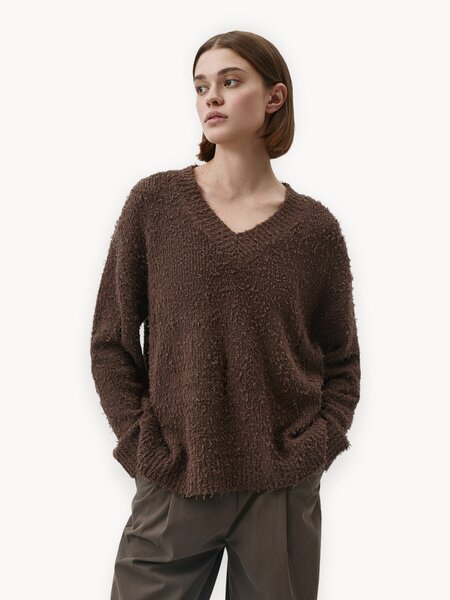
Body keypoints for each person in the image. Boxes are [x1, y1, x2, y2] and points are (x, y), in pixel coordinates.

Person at [90, 29, 361, 600]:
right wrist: (142, 445)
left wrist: (316, 446)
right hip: (175, 478)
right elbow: (112, 340)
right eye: (201, 86)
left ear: (274, 97)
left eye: (231, 82)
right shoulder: (154, 205)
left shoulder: (315, 231)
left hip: (281, 487)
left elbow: (341, 361)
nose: (211, 96)